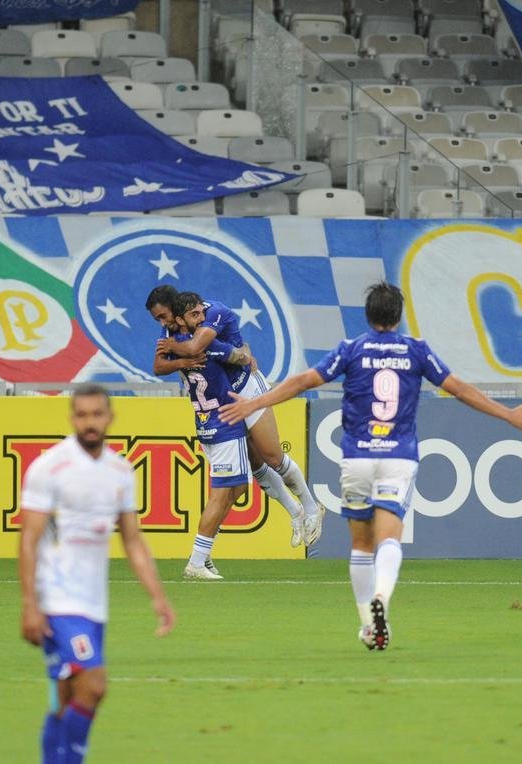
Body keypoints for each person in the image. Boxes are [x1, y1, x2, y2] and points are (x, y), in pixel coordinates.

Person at [219, 282, 522, 651]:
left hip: (358, 456)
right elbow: (459, 389)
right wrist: (507, 414)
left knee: (360, 545)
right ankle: (382, 600)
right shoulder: (416, 351)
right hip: (398, 455)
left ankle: (369, 624)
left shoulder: (351, 349)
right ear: (398, 315)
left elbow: (301, 381)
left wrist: (253, 404)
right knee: (389, 537)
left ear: (369, 315)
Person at [20, 384, 175, 762]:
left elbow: (133, 540)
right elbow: (29, 538)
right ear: (73, 417)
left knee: (67, 700)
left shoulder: (120, 472)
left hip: (93, 605)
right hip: (57, 600)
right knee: (95, 685)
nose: (90, 422)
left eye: (97, 414)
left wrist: (158, 596)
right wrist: (31, 605)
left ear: (110, 417)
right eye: (82, 415)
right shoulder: (50, 467)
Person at [145, 284, 325, 548]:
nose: (162, 323)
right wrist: (180, 361)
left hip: (247, 388)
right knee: (254, 464)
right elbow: (159, 366)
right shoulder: (172, 330)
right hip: (225, 401)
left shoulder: (212, 313)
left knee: (272, 456)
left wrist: (176, 347)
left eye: (163, 316)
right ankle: (295, 513)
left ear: (177, 311)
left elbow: (196, 347)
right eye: (158, 319)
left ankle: (312, 508)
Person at [166, 292, 259, 580]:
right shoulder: (205, 347)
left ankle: (203, 555)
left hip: (207, 421)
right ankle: (196, 561)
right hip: (223, 421)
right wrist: (245, 353)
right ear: (181, 319)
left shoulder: (177, 348)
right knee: (222, 494)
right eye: (194, 315)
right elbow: (242, 356)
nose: (202, 319)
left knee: (238, 488)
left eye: (201, 312)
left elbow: (160, 364)